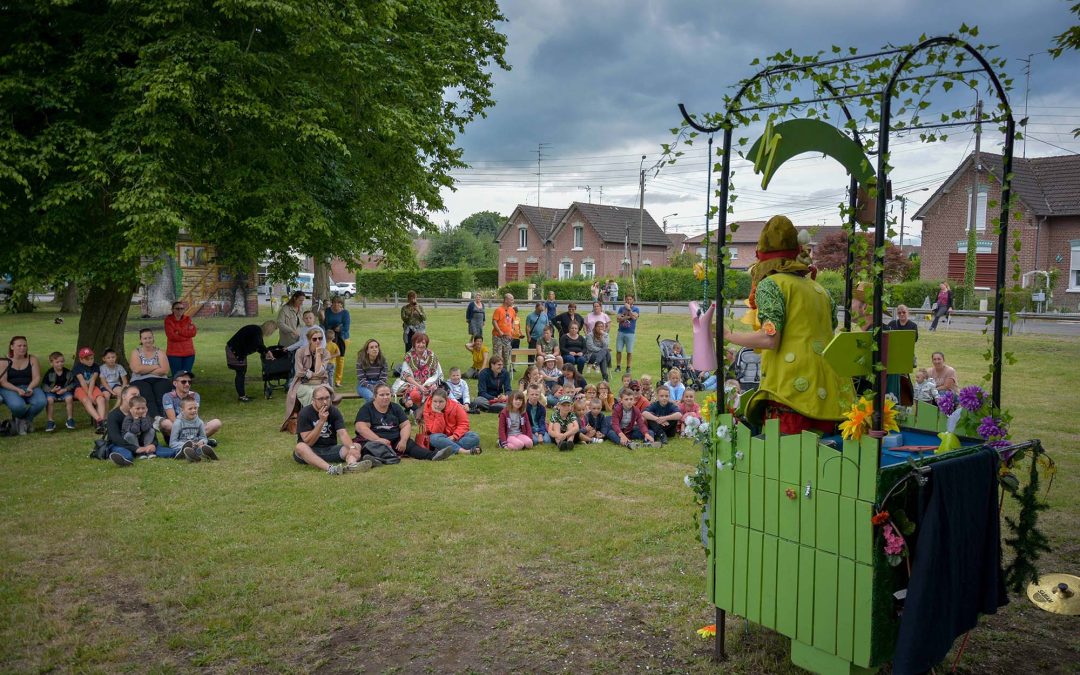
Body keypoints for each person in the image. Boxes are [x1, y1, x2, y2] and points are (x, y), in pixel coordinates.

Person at [723, 215, 847, 435]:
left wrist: (729, 335)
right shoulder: (820, 290)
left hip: (790, 394)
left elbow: (770, 338)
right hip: (828, 392)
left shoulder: (771, 285)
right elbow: (830, 328)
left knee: (788, 461)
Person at [354, 383, 451, 462]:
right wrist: (378, 440)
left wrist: (403, 440)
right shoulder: (367, 409)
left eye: (388, 394)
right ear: (374, 396)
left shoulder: (395, 408)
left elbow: (405, 425)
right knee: (371, 447)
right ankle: (375, 459)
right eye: (382, 395)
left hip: (395, 440)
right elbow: (361, 428)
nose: (386, 397)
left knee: (411, 446)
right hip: (374, 441)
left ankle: (434, 455)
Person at [294, 385, 371, 475]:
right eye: (321, 399)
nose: (325, 402)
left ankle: (352, 465)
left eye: (327, 398)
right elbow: (308, 442)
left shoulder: (334, 411)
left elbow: (342, 433)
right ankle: (331, 469)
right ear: (314, 400)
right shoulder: (305, 413)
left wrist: (352, 448)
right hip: (310, 451)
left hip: (330, 449)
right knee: (300, 447)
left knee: (356, 445)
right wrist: (321, 422)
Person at [106, 386, 181, 466]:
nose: (137, 397)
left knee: (167, 452)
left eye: (138, 395)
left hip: (143, 442)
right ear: (124, 396)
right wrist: (136, 449)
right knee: (127, 454)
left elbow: (151, 432)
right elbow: (115, 438)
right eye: (134, 394)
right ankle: (124, 458)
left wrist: (153, 444)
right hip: (123, 444)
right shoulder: (113, 415)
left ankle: (183, 452)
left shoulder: (142, 411)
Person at [281, 326, 332, 429]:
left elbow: (320, 371)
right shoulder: (300, 352)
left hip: (320, 383)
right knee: (311, 394)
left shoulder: (325, 353)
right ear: (309, 340)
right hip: (302, 383)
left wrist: (318, 355)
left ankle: (324, 421)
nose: (318, 341)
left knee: (325, 394)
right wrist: (312, 375)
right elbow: (299, 372)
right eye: (314, 339)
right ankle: (314, 421)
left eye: (320, 338)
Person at [0, 336, 46, 435]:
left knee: (41, 401)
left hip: (29, 385)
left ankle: (25, 420)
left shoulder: (32, 359)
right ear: (12, 347)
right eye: (19, 346)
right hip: (10, 388)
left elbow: (37, 377)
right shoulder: (4, 361)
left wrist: (30, 387)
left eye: (24, 345)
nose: (22, 348)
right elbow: (3, 382)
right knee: (18, 406)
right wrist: (17, 390)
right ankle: (22, 420)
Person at [159, 371, 222, 440]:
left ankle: (191, 441)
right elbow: (173, 419)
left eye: (189, 382)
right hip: (177, 429)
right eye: (183, 382)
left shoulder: (195, 395)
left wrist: (192, 429)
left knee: (216, 423)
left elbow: (194, 415)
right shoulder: (168, 396)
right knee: (166, 423)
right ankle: (195, 440)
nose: (187, 384)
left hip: (192, 428)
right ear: (175, 383)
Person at [226, 321, 278, 402]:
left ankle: (242, 395)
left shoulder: (257, 331)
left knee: (242, 372)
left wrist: (265, 353)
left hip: (238, 350)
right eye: (272, 331)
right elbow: (258, 344)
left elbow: (259, 345)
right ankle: (242, 397)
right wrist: (267, 352)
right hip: (234, 350)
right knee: (240, 372)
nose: (271, 333)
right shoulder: (256, 331)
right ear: (269, 329)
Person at [419, 388, 481, 455]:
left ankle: (444, 447)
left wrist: (455, 436)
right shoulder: (427, 409)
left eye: (441, 402)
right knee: (434, 438)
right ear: (432, 400)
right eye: (435, 401)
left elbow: (464, 424)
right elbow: (435, 431)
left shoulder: (456, 406)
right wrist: (438, 414)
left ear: (446, 400)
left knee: (474, 436)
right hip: (439, 436)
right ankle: (464, 451)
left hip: (455, 436)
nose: (437, 404)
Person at [129, 328, 173, 419]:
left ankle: (165, 418)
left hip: (160, 379)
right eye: (145, 338)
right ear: (141, 340)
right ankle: (155, 418)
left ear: (153, 338)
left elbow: (165, 370)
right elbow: (137, 370)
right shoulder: (136, 352)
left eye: (150, 338)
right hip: (139, 380)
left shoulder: (160, 352)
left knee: (161, 394)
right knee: (147, 395)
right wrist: (156, 366)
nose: (148, 340)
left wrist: (144, 369)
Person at [394, 332, 442, 411]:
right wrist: (419, 386)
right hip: (413, 383)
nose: (421, 345)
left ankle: (420, 409)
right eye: (418, 342)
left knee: (434, 390)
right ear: (414, 344)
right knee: (414, 393)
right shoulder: (409, 356)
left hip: (429, 383)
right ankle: (420, 410)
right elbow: (407, 376)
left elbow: (436, 374)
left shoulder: (432, 355)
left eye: (423, 343)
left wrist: (427, 384)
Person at [169, 395, 219, 462]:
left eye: (195, 408)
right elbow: (172, 443)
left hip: (196, 445)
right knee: (185, 449)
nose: (194, 410)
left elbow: (204, 437)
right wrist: (184, 445)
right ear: (182, 410)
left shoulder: (199, 422)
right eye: (190, 408)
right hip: (182, 446)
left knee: (202, 448)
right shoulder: (178, 423)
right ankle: (188, 455)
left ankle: (207, 454)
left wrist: (202, 442)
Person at [73, 347, 110, 431]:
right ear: (81, 359)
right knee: (86, 400)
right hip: (80, 388)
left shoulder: (96, 366)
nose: (90, 361)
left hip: (93, 387)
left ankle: (101, 424)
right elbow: (82, 382)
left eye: (92, 358)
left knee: (101, 399)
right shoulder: (77, 367)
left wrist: (90, 393)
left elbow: (93, 380)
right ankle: (99, 420)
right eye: (87, 359)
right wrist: (88, 395)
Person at [42, 351, 77, 432]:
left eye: (62, 361)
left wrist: (65, 389)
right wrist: (51, 390)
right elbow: (44, 385)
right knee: (49, 400)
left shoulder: (68, 372)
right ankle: (50, 421)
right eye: (57, 362)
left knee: (69, 398)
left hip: (64, 391)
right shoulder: (49, 373)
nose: (60, 364)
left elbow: (73, 383)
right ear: (51, 363)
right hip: (52, 391)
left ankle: (70, 419)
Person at [322, 295, 351, 388]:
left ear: (341, 304)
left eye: (338, 302)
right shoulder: (328, 311)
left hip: (342, 338)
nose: (335, 304)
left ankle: (338, 380)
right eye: (334, 302)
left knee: (340, 358)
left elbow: (346, 328)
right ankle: (326, 378)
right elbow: (326, 324)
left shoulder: (345, 313)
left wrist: (340, 328)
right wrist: (334, 328)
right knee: (328, 357)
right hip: (330, 338)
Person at [164, 300, 197, 376]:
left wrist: (178, 331)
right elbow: (171, 336)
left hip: (189, 353)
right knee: (177, 376)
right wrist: (187, 337)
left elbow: (193, 333)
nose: (180, 310)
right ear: (172, 310)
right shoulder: (168, 320)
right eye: (177, 308)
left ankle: (185, 388)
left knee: (186, 376)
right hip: (174, 354)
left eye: (182, 308)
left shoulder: (188, 319)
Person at [355, 339, 388, 405]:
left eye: (376, 347)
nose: (375, 349)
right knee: (371, 397)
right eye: (371, 347)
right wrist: (372, 388)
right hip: (364, 385)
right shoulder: (360, 361)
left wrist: (377, 387)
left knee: (385, 397)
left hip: (379, 384)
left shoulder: (383, 361)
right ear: (367, 351)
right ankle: (370, 414)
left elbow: (383, 378)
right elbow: (361, 379)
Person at [614, 295, 640, 373]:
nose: (628, 301)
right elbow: (618, 319)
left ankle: (628, 367)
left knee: (629, 351)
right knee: (618, 350)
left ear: (633, 300)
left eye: (630, 299)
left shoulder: (636, 309)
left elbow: (635, 318)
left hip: (630, 333)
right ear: (625, 300)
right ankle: (618, 366)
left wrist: (628, 310)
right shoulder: (621, 308)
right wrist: (628, 317)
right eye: (627, 299)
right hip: (621, 332)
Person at [491, 293, 516, 372]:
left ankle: (504, 373)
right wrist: (499, 331)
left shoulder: (512, 310)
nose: (513, 301)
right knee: (497, 356)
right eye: (511, 299)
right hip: (498, 337)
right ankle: (495, 372)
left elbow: (512, 320)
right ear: (506, 300)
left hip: (507, 337)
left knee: (506, 356)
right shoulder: (499, 310)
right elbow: (494, 321)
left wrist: (512, 329)